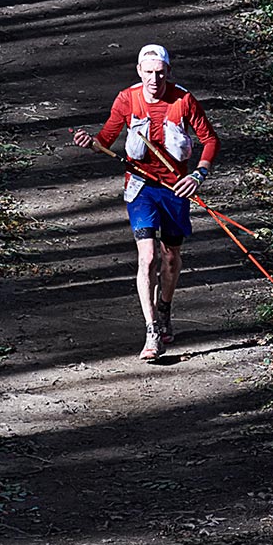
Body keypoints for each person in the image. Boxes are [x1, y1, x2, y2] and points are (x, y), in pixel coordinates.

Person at [73, 41, 218, 364]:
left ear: (169, 72)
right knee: (148, 256)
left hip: (176, 188)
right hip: (140, 188)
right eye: (149, 73)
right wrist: (89, 142)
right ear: (139, 71)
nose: (155, 79)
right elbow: (106, 139)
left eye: (161, 73)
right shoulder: (127, 99)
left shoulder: (184, 100)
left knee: (171, 256)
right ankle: (151, 331)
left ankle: (165, 307)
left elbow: (210, 140)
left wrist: (198, 175)